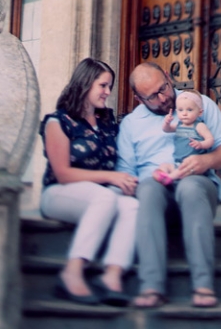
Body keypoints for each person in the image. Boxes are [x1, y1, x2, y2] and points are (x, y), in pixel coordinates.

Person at [116, 61, 221, 309]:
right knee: (147, 188)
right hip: (157, 193)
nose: (163, 98)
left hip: (197, 186)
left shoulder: (199, 103)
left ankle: (203, 284)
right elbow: (125, 174)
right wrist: (141, 180)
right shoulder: (130, 124)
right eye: (153, 96)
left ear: (169, 77)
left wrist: (206, 160)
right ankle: (152, 286)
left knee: (190, 187)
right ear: (138, 98)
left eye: (164, 88)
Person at [39, 58, 139, 306]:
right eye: (103, 86)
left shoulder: (107, 123)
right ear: (85, 84)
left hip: (98, 196)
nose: (107, 92)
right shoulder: (58, 121)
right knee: (105, 196)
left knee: (132, 207)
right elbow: (62, 173)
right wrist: (110, 177)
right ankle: (71, 272)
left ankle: (112, 276)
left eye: (109, 87)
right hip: (59, 193)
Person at [153, 89, 214, 185]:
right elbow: (167, 129)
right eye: (181, 110)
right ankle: (162, 173)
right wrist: (166, 123)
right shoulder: (179, 125)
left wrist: (201, 144)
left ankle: (169, 178)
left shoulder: (199, 126)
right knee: (165, 165)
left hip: (192, 164)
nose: (184, 113)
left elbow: (210, 139)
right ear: (177, 111)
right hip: (179, 161)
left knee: (181, 170)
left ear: (200, 112)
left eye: (189, 110)